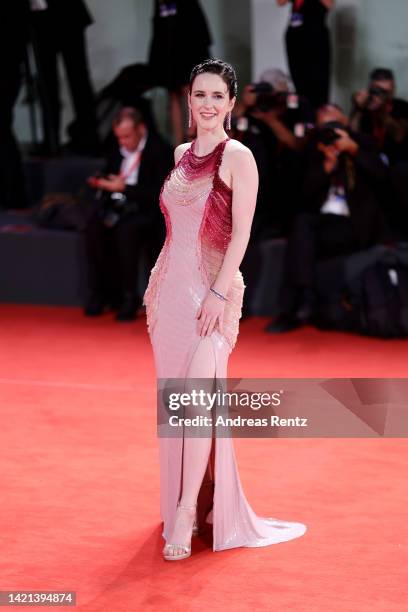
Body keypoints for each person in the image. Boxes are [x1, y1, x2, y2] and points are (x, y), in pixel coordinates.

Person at [143, 59, 307, 560]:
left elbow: (241, 234)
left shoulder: (239, 156)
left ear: (232, 103)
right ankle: (190, 502)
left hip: (212, 298)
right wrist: (158, 286)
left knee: (197, 407)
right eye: (200, 95)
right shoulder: (179, 152)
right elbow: (176, 229)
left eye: (218, 95)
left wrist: (216, 294)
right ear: (189, 101)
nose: (208, 104)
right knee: (181, 409)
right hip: (168, 294)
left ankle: (188, 512)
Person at [266, 104, 389, 333]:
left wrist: (353, 150)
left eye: (333, 111)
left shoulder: (363, 143)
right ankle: (302, 301)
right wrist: (326, 167)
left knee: (306, 229)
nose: (327, 116)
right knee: (302, 223)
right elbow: (301, 196)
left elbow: (383, 176)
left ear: (345, 119)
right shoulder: (313, 149)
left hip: (355, 225)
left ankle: (305, 302)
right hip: (322, 223)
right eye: (322, 115)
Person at [84, 107, 173, 321]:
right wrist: (101, 182)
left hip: (146, 210)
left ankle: (129, 297)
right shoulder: (117, 149)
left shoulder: (159, 150)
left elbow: (159, 192)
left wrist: (124, 189)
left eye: (127, 136)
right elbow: (109, 172)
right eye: (119, 137)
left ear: (141, 129)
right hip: (118, 206)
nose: (122, 142)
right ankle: (101, 294)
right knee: (93, 228)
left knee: (127, 231)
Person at [29, 0, 99, 156]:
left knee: (78, 79)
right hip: (39, 18)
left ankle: (89, 139)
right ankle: (51, 142)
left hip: (66, 14)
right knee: (46, 83)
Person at [148, 0, 212, 144]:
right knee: (173, 96)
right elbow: (158, 27)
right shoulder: (159, 3)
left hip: (188, 50)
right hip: (168, 53)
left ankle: (195, 140)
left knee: (190, 93)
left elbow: (197, 26)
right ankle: (178, 145)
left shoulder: (188, 5)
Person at [277, 0, 334, 110]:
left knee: (318, 81)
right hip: (295, 36)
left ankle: (319, 114)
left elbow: (329, 4)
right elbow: (280, 2)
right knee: (298, 80)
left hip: (315, 37)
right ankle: (303, 114)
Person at [350, 68, 408, 167]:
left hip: (396, 163)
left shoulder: (402, 106)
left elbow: (399, 136)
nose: (380, 94)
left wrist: (382, 109)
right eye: (376, 90)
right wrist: (357, 109)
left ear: (393, 89)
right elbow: (352, 134)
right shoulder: (365, 107)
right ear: (370, 88)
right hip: (368, 162)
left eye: (384, 91)